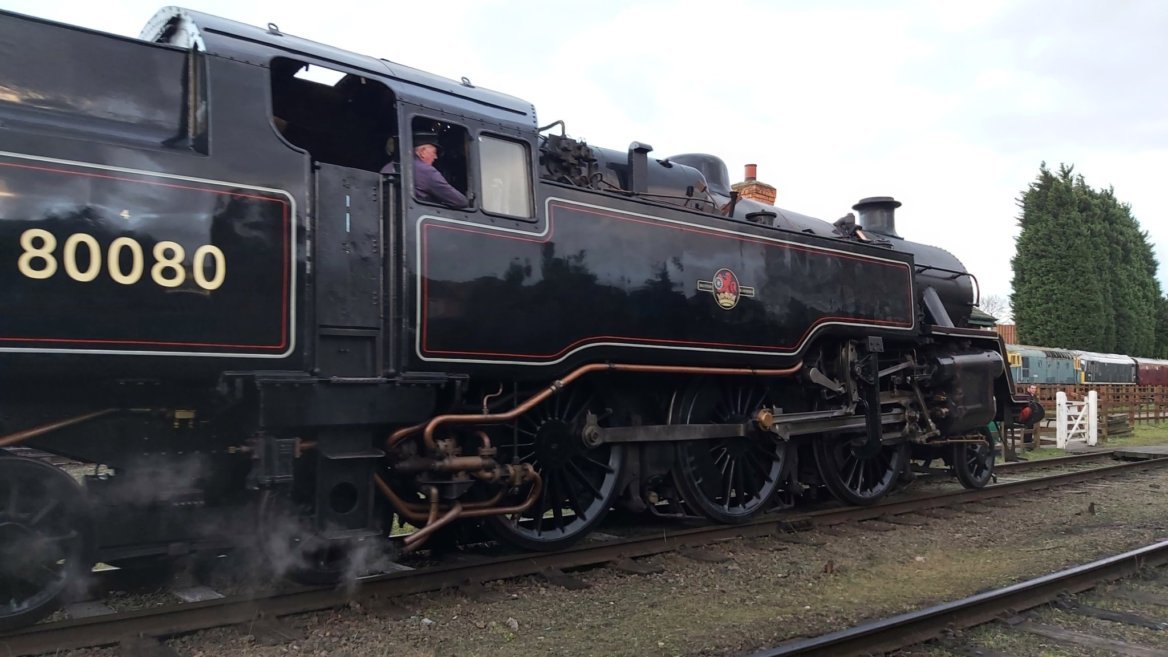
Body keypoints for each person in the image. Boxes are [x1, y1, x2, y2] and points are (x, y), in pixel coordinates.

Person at [409, 132, 469, 208]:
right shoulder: (427, 172)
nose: (435, 157)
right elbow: (460, 201)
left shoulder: (391, 165)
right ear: (422, 152)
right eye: (434, 152)